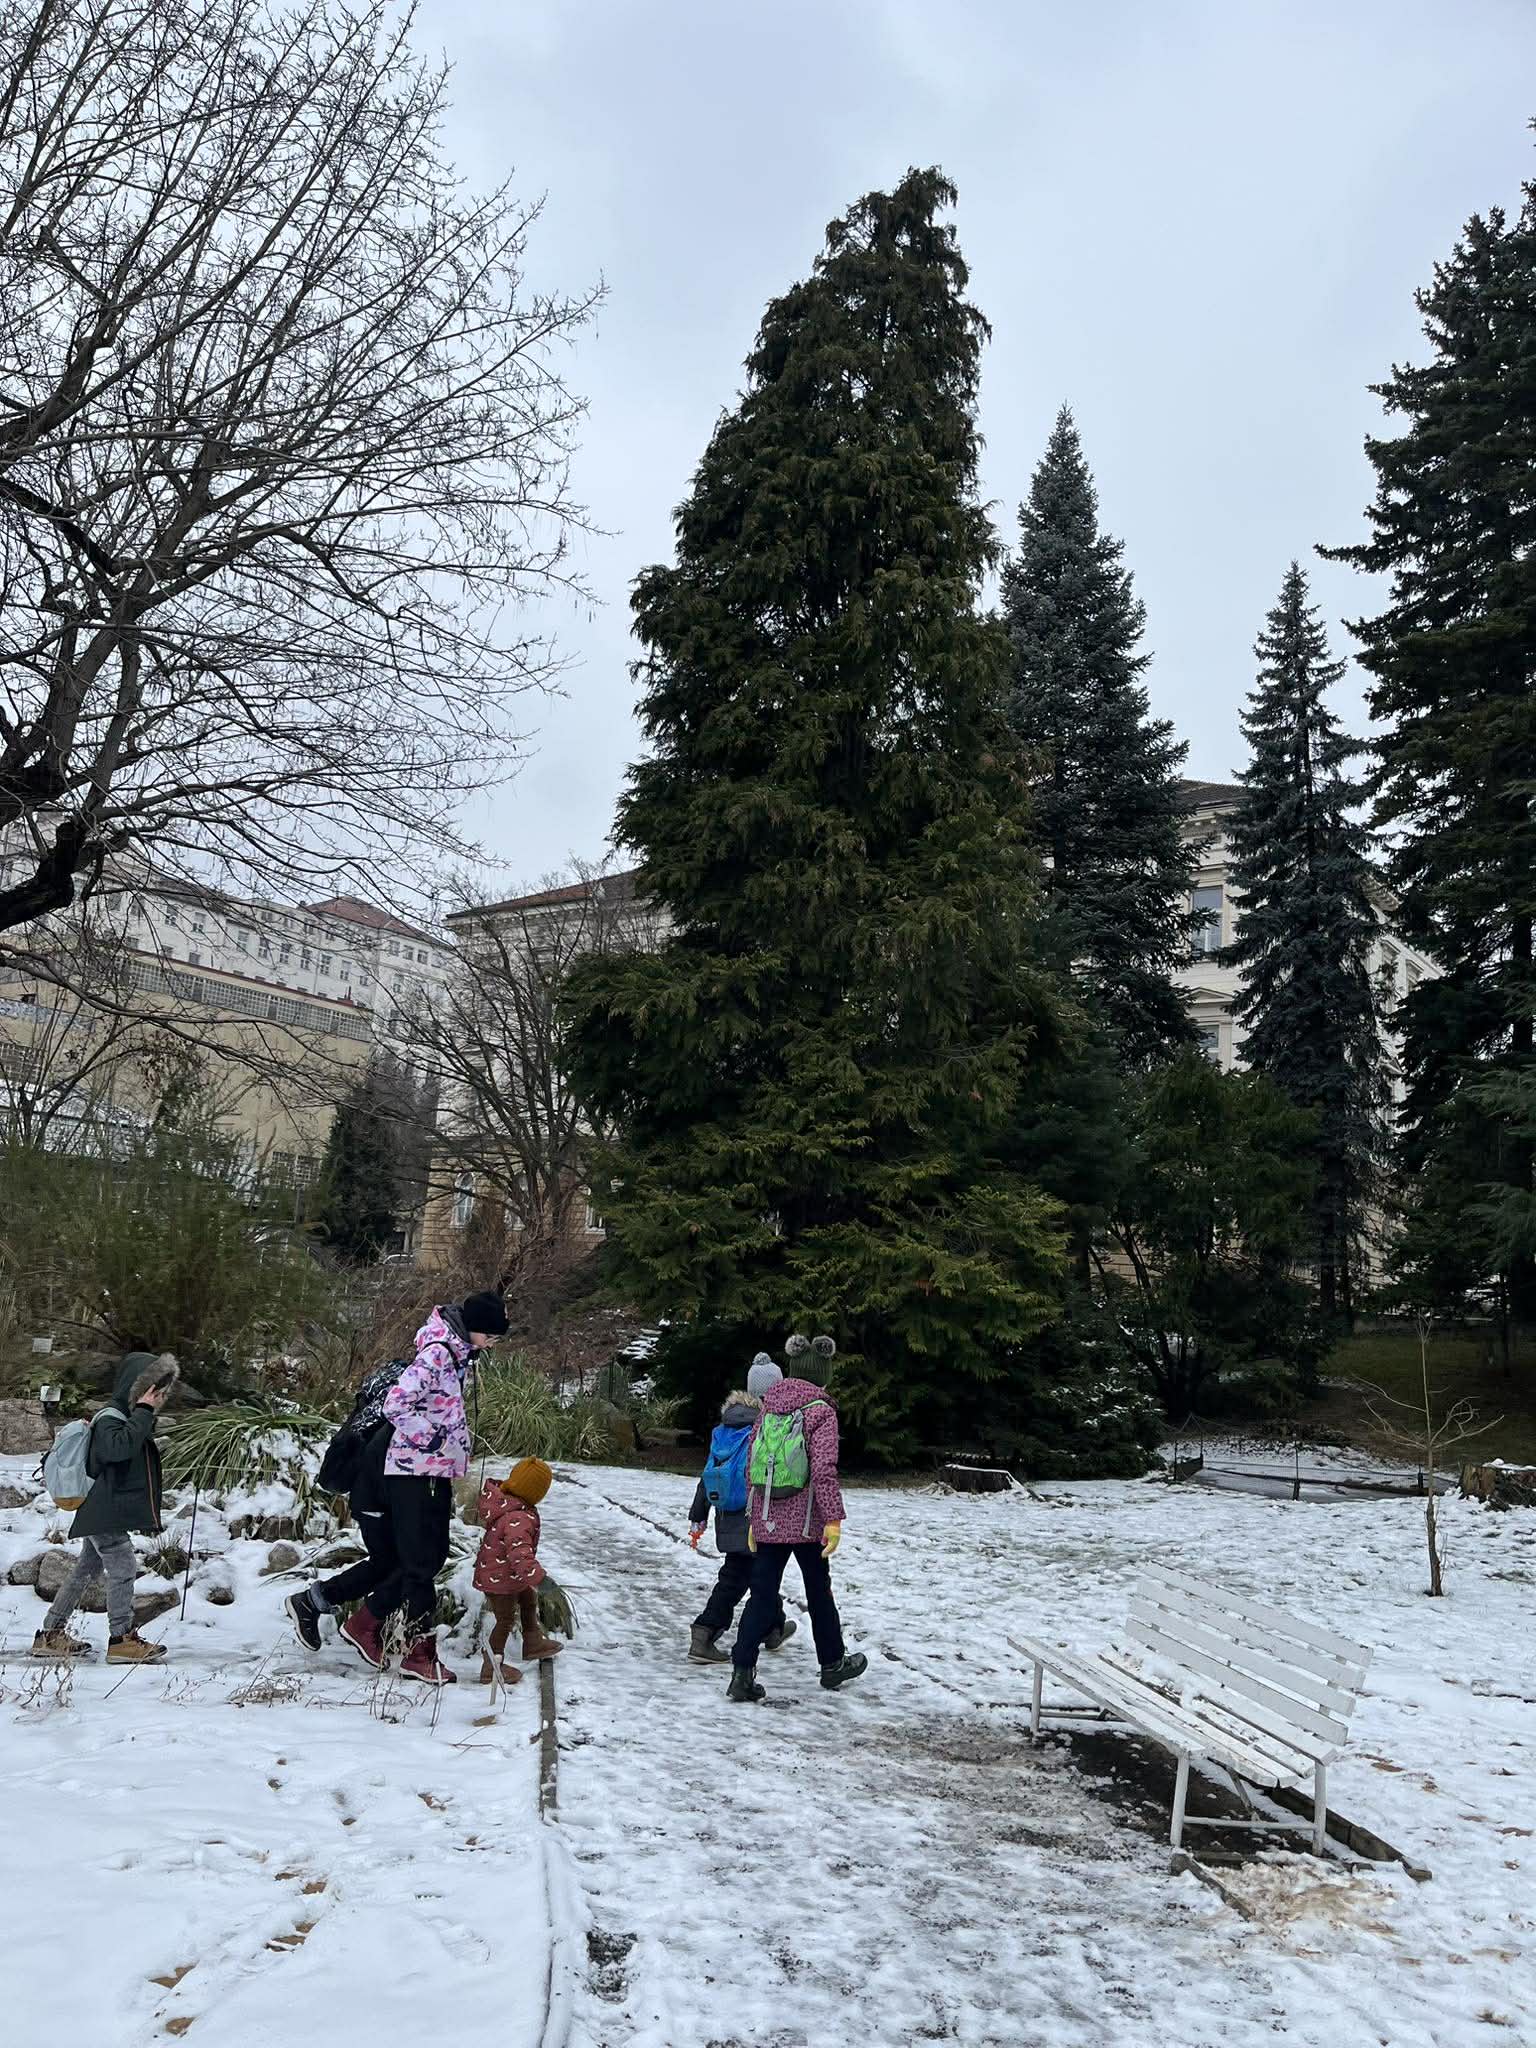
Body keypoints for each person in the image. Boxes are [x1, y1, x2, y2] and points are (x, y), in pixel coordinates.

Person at [336, 1289, 508, 1686]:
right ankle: (416, 1650)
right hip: (415, 1470)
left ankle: (369, 1623)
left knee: (429, 1559)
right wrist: (433, 1440)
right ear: (474, 1328)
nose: (492, 1344)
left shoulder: (457, 1355)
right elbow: (396, 1404)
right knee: (420, 1562)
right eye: (490, 1336)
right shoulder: (437, 1355)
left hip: (432, 1471)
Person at [727, 1337, 866, 1703]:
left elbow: (752, 1465)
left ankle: (742, 1672)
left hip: (769, 1519)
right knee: (819, 1591)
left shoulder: (769, 1407)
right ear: (823, 1374)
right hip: (807, 1523)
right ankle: (832, 1663)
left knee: (761, 1594)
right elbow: (823, 1469)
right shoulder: (821, 1411)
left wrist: (754, 1518)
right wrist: (833, 1518)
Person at [31, 1352, 179, 1665]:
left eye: (163, 1391)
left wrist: (144, 1416)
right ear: (137, 1386)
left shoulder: (125, 1416)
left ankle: (51, 1634)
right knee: (123, 1565)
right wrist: (144, 1411)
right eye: (155, 1389)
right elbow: (117, 1450)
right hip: (103, 1508)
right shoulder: (112, 1416)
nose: (160, 1397)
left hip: (104, 1508)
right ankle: (121, 1639)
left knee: (86, 1569)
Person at [684, 1365, 796, 1663]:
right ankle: (705, 1631)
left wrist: (699, 1513)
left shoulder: (725, 1429)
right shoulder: (766, 1427)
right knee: (740, 1578)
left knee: (758, 1573)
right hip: (756, 1517)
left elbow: (708, 1475)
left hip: (727, 1516)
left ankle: (773, 1628)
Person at [285, 1411, 395, 1652]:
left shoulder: (386, 1395)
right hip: (377, 1493)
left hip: (375, 1492)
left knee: (393, 1563)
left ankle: (318, 1602)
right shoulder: (403, 1395)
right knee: (394, 1563)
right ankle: (321, 1603)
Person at [473, 1457, 564, 1684]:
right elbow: (519, 1555)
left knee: (528, 1598)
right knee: (505, 1620)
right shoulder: (518, 1517)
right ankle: (491, 1666)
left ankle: (533, 1642)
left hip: (508, 1575)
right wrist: (540, 1579)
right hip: (499, 1578)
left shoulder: (513, 1506)